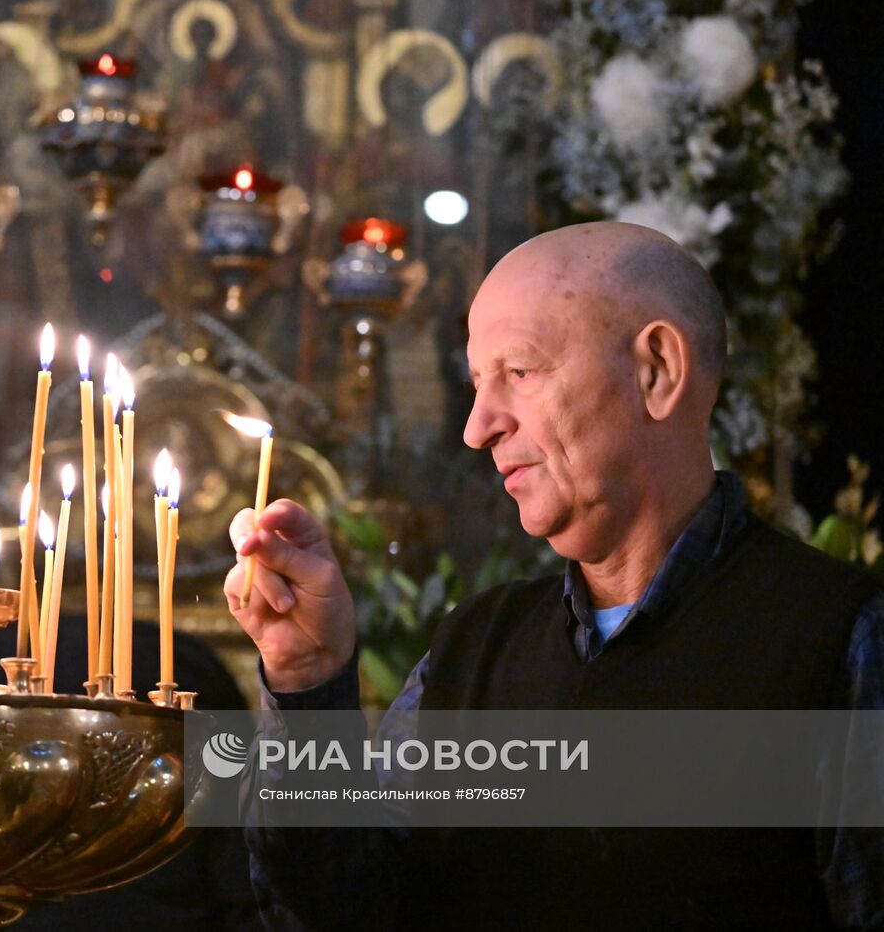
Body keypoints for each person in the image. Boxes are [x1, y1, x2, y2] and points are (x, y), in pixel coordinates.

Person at [225, 222, 884, 930]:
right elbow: (340, 914)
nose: (477, 428)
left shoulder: (839, 640)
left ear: (656, 370)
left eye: (520, 371)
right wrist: (308, 680)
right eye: (477, 383)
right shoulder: (470, 651)